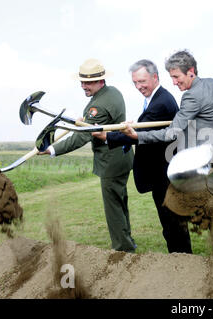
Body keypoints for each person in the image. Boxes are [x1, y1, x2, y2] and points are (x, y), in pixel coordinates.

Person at [120, 50, 213, 260]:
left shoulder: (191, 96)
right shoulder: (212, 83)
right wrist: (209, 119)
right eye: (172, 77)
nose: (174, 82)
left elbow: (171, 132)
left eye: (177, 77)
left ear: (191, 72)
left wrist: (136, 136)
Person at [92, 59, 192, 253]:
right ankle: (180, 262)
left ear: (155, 77)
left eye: (142, 81)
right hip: (163, 174)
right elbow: (141, 127)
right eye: (135, 83)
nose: (139, 87)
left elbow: (138, 135)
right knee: (170, 225)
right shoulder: (155, 99)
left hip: (166, 175)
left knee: (173, 225)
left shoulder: (161, 102)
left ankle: (183, 264)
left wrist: (106, 136)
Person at [38, 58, 136, 253]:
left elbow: (81, 138)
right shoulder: (113, 92)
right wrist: (83, 122)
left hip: (111, 161)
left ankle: (122, 250)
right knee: (120, 202)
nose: (84, 86)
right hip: (123, 157)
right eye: (82, 82)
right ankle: (127, 241)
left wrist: (52, 150)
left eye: (88, 82)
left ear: (100, 81)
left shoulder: (97, 106)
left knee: (113, 208)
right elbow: (89, 126)